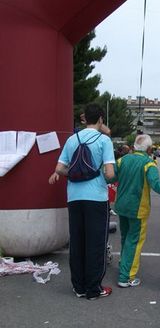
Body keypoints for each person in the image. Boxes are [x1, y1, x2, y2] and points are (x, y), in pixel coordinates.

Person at [49, 103, 115, 300]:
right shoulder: (104, 140)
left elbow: (60, 169)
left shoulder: (71, 139)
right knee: (96, 243)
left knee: (77, 242)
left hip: (74, 197)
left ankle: (78, 287)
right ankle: (94, 289)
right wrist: (103, 177)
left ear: (85, 118)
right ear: (101, 119)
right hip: (96, 198)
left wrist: (77, 174)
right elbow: (110, 173)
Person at [112, 134, 160, 288]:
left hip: (121, 206)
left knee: (126, 237)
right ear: (149, 149)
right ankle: (126, 277)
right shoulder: (149, 164)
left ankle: (124, 264)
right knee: (134, 241)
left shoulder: (122, 160)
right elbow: (157, 185)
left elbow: (108, 177)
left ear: (134, 147)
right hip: (138, 209)